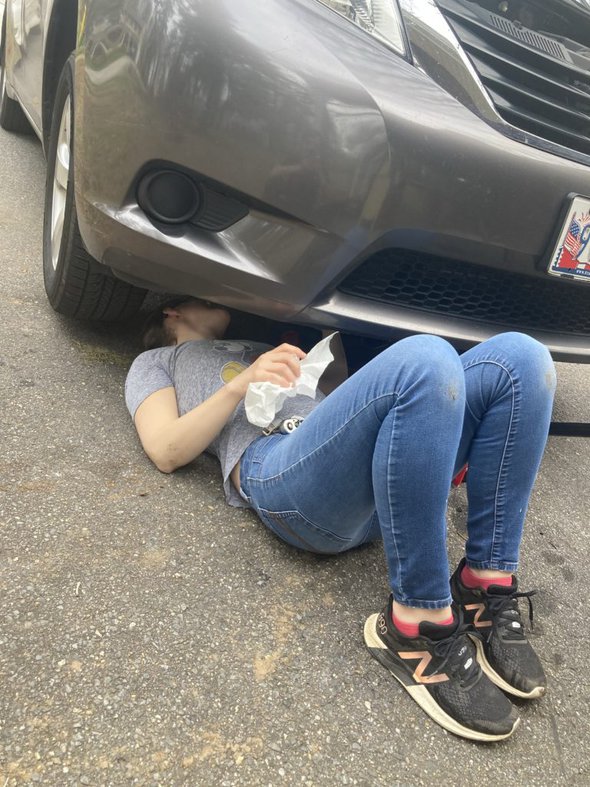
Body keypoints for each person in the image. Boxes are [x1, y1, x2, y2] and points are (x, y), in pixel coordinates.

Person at [125, 296, 557, 742]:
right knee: (426, 358)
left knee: (522, 359)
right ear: (171, 312)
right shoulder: (156, 361)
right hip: (280, 468)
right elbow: (165, 449)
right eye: (202, 295)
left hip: (379, 481)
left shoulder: (260, 342)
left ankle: (482, 586)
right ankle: (418, 625)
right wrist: (242, 384)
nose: (219, 296)